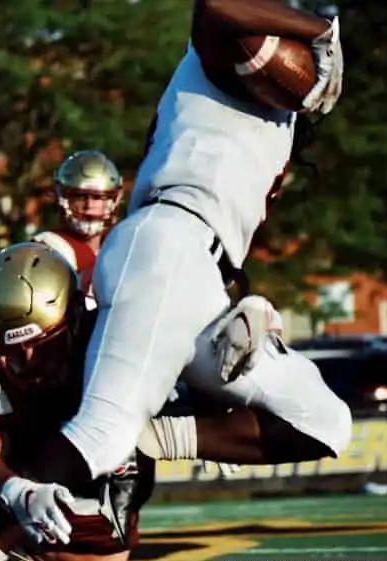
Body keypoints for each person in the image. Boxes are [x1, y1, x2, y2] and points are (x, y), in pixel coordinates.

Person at [22, 0, 351, 494]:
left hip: (198, 276)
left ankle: (152, 439)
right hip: (168, 247)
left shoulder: (261, 111)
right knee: (101, 435)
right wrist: (319, 32)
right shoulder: (223, 54)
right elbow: (216, 6)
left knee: (323, 421)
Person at [0, 243, 347, 561]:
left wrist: (250, 321)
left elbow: (203, 341)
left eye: (43, 343)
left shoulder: (117, 347)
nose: (25, 360)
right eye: (9, 347)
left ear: (74, 317)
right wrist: (15, 490)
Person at [32, 150, 125, 310]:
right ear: (63, 198)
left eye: (98, 197)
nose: (89, 206)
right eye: (80, 196)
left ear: (114, 199)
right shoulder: (48, 247)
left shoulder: (121, 242)